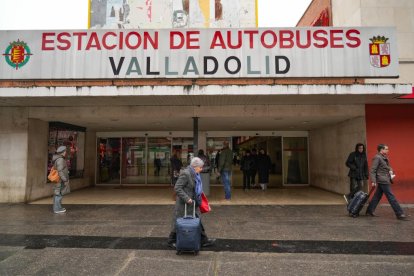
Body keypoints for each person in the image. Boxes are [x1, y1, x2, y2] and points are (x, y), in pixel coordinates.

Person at [167, 157, 215, 249]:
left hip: (193, 203)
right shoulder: (186, 173)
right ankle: (171, 241)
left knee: (197, 220)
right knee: (178, 222)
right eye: (200, 167)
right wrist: (187, 198)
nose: (201, 169)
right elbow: (177, 188)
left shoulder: (194, 174)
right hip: (184, 204)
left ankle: (204, 240)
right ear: (195, 166)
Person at [365, 144, 408, 220]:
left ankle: (369, 211)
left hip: (385, 178)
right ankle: (400, 214)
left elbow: (385, 166)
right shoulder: (377, 157)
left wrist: (390, 170)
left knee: (377, 196)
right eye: (386, 149)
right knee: (391, 197)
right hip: (382, 180)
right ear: (381, 150)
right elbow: (373, 170)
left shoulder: (384, 157)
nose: (388, 150)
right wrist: (373, 181)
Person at [52, 145, 69, 214]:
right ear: (62, 152)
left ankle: (58, 207)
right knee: (58, 194)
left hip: (59, 180)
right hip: (59, 180)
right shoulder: (60, 160)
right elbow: (60, 171)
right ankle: (57, 209)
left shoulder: (59, 159)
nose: (65, 153)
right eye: (65, 151)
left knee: (58, 193)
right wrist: (65, 179)